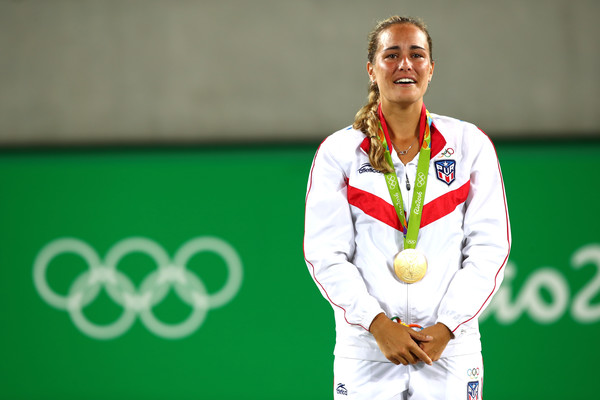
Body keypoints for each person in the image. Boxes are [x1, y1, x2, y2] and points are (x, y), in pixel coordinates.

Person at [303, 15, 511, 399]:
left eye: (417, 55)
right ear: (371, 69)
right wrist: (378, 325)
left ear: (431, 69)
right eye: (391, 55)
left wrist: (448, 326)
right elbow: (325, 255)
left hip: (449, 351)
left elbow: (489, 249)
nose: (405, 64)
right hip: (367, 352)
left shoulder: (468, 144)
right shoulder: (340, 152)